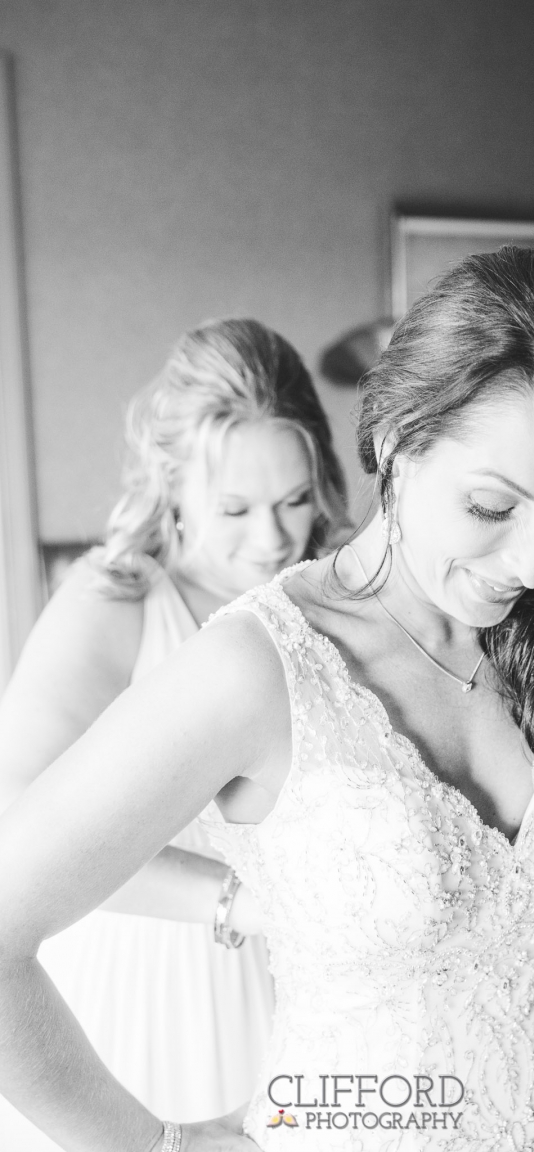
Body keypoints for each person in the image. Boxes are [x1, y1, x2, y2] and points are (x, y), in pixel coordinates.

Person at [0, 248, 534, 1152]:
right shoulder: (256, 666)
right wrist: (157, 1145)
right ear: (397, 442)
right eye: (492, 508)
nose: (532, 565)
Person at [0, 317, 348, 1145]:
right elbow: (13, 822)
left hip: (307, 974)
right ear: (171, 486)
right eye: (235, 508)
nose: (273, 537)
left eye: (295, 499)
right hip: (145, 981)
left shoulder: (330, 598)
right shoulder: (115, 601)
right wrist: (236, 901)